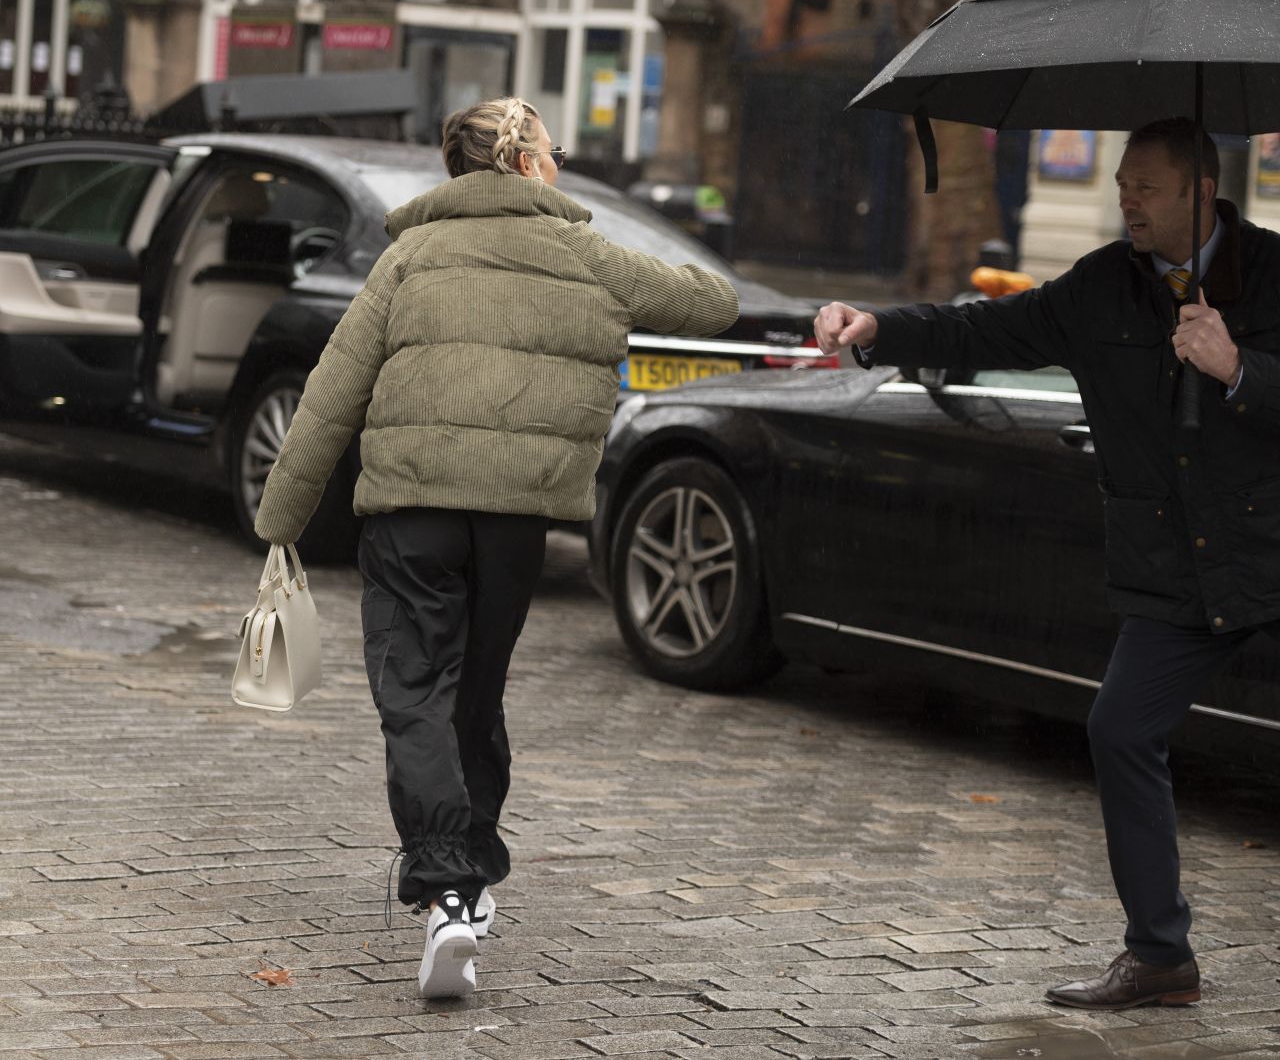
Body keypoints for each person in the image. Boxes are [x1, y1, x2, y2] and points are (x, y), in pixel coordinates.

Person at [254, 96, 739, 998]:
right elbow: (714, 303)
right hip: (516, 523)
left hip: (410, 513)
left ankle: (445, 885)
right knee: (474, 694)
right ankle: (468, 881)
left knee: (414, 694)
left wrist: (280, 520)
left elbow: (331, 393)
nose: (557, 166)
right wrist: (602, 243)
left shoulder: (410, 255)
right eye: (552, 153)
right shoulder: (586, 253)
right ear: (526, 163)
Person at [815, 117, 1279, 1011]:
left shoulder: (1274, 270)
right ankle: (1159, 957)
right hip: (1172, 566)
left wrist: (1239, 368)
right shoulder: (1104, 285)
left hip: (1271, 544)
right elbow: (989, 330)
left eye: (1145, 184)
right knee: (1119, 730)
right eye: (1120, 183)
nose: (1126, 199)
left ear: (1199, 188)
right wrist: (879, 325)